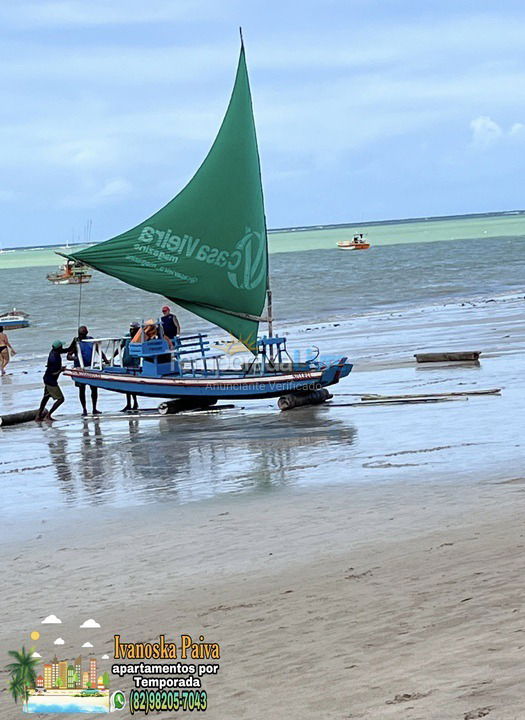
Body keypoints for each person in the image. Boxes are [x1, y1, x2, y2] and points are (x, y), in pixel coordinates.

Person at [66, 326, 100, 416]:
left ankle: (94, 408)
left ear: (86, 333)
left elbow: (98, 350)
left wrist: (105, 359)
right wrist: (75, 358)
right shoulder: (76, 341)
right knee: (82, 390)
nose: (80, 336)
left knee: (94, 388)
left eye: (82, 334)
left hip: (91, 367)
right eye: (79, 334)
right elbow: (68, 356)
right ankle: (84, 409)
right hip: (80, 368)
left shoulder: (91, 340)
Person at [36, 340, 67, 421]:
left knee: (46, 397)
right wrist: (61, 370)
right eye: (61, 347)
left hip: (46, 378)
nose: (62, 348)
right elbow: (54, 373)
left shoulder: (54, 352)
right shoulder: (54, 359)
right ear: (59, 348)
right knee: (61, 399)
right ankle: (48, 415)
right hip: (51, 381)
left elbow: (65, 350)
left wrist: (73, 343)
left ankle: (38, 416)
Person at [120, 322, 140, 412]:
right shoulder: (127, 337)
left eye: (133, 329)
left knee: (133, 384)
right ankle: (128, 403)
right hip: (126, 361)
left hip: (135, 363)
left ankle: (135, 402)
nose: (131, 330)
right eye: (131, 329)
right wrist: (111, 358)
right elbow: (120, 347)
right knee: (126, 384)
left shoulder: (140, 338)